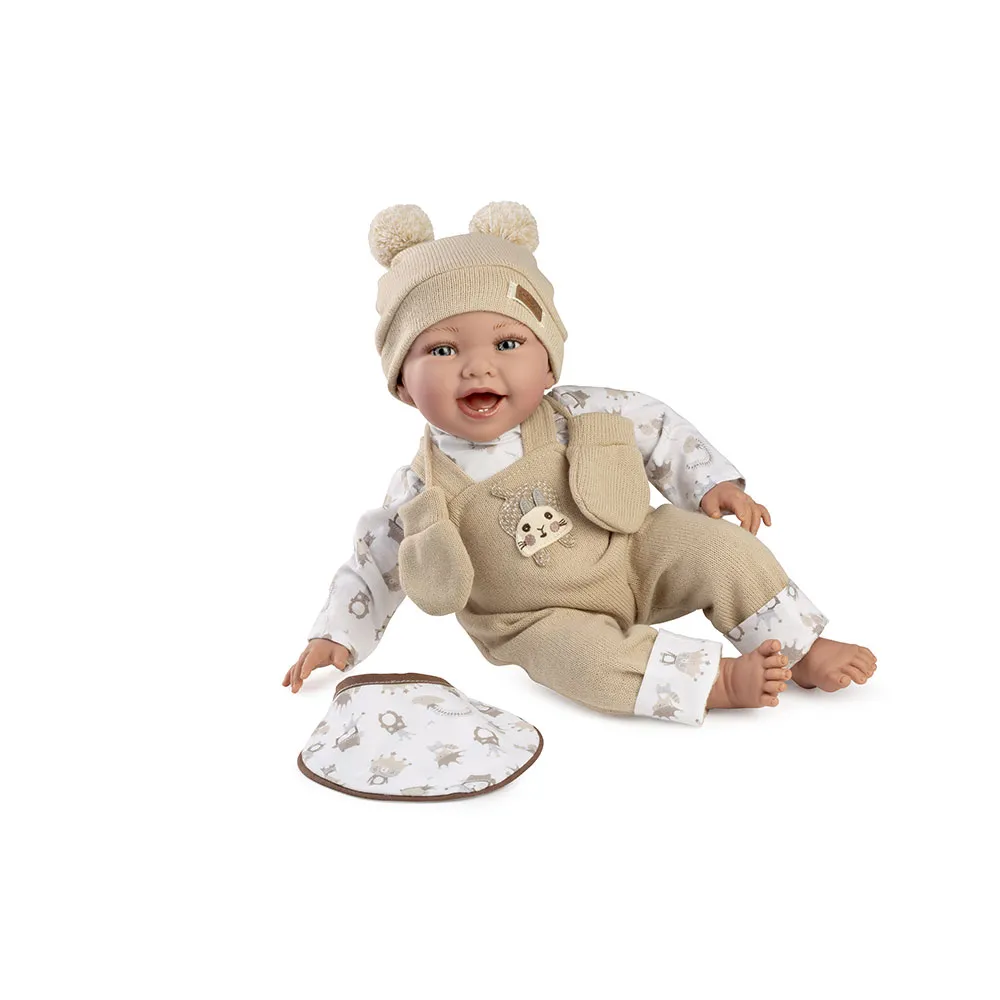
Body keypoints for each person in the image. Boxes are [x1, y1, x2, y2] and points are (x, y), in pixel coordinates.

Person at [282, 202, 876, 726]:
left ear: (548, 363)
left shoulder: (581, 412)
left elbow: (657, 426)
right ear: (402, 385)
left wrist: (710, 483)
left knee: (720, 548)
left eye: (507, 343)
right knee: (583, 660)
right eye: (442, 349)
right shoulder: (419, 489)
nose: (478, 367)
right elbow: (373, 565)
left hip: (633, 555)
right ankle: (713, 681)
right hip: (535, 617)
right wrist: (336, 635)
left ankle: (800, 647)